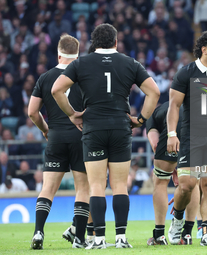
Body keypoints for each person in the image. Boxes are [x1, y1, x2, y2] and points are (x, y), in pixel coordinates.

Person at [51, 23, 160, 249]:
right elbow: (154, 92)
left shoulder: (81, 63)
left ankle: (99, 238)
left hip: (93, 129)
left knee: (97, 185)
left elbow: (56, 90)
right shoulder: (130, 63)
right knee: (120, 185)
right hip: (121, 128)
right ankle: (121, 238)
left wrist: (72, 114)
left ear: (93, 43)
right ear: (116, 42)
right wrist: (140, 120)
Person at [167, 30, 207, 246]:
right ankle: (177, 218)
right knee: (187, 184)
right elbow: (174, 105)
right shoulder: (186, 73)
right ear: (204, 50)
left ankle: (206, 234)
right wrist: (171, 133)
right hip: (190, 137)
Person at [28, 34, 90, 249]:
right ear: (78, 53)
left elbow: (32, 112)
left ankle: (38, 233)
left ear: (58, 53)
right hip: (81, 138)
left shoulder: (45, 78)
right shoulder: (85, 77)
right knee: (83, 188)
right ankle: (79, 239)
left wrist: (45, 129)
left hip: (55, 137)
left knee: (48, 188)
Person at [146, 101, 200, 245]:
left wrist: (171, 169)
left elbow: (156, 145)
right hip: (197, 128)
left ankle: (159, 235)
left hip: (173, 130)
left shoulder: (155, 113)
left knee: (160, 181)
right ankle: (187, 233)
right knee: (193, 182)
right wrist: (179, 168)